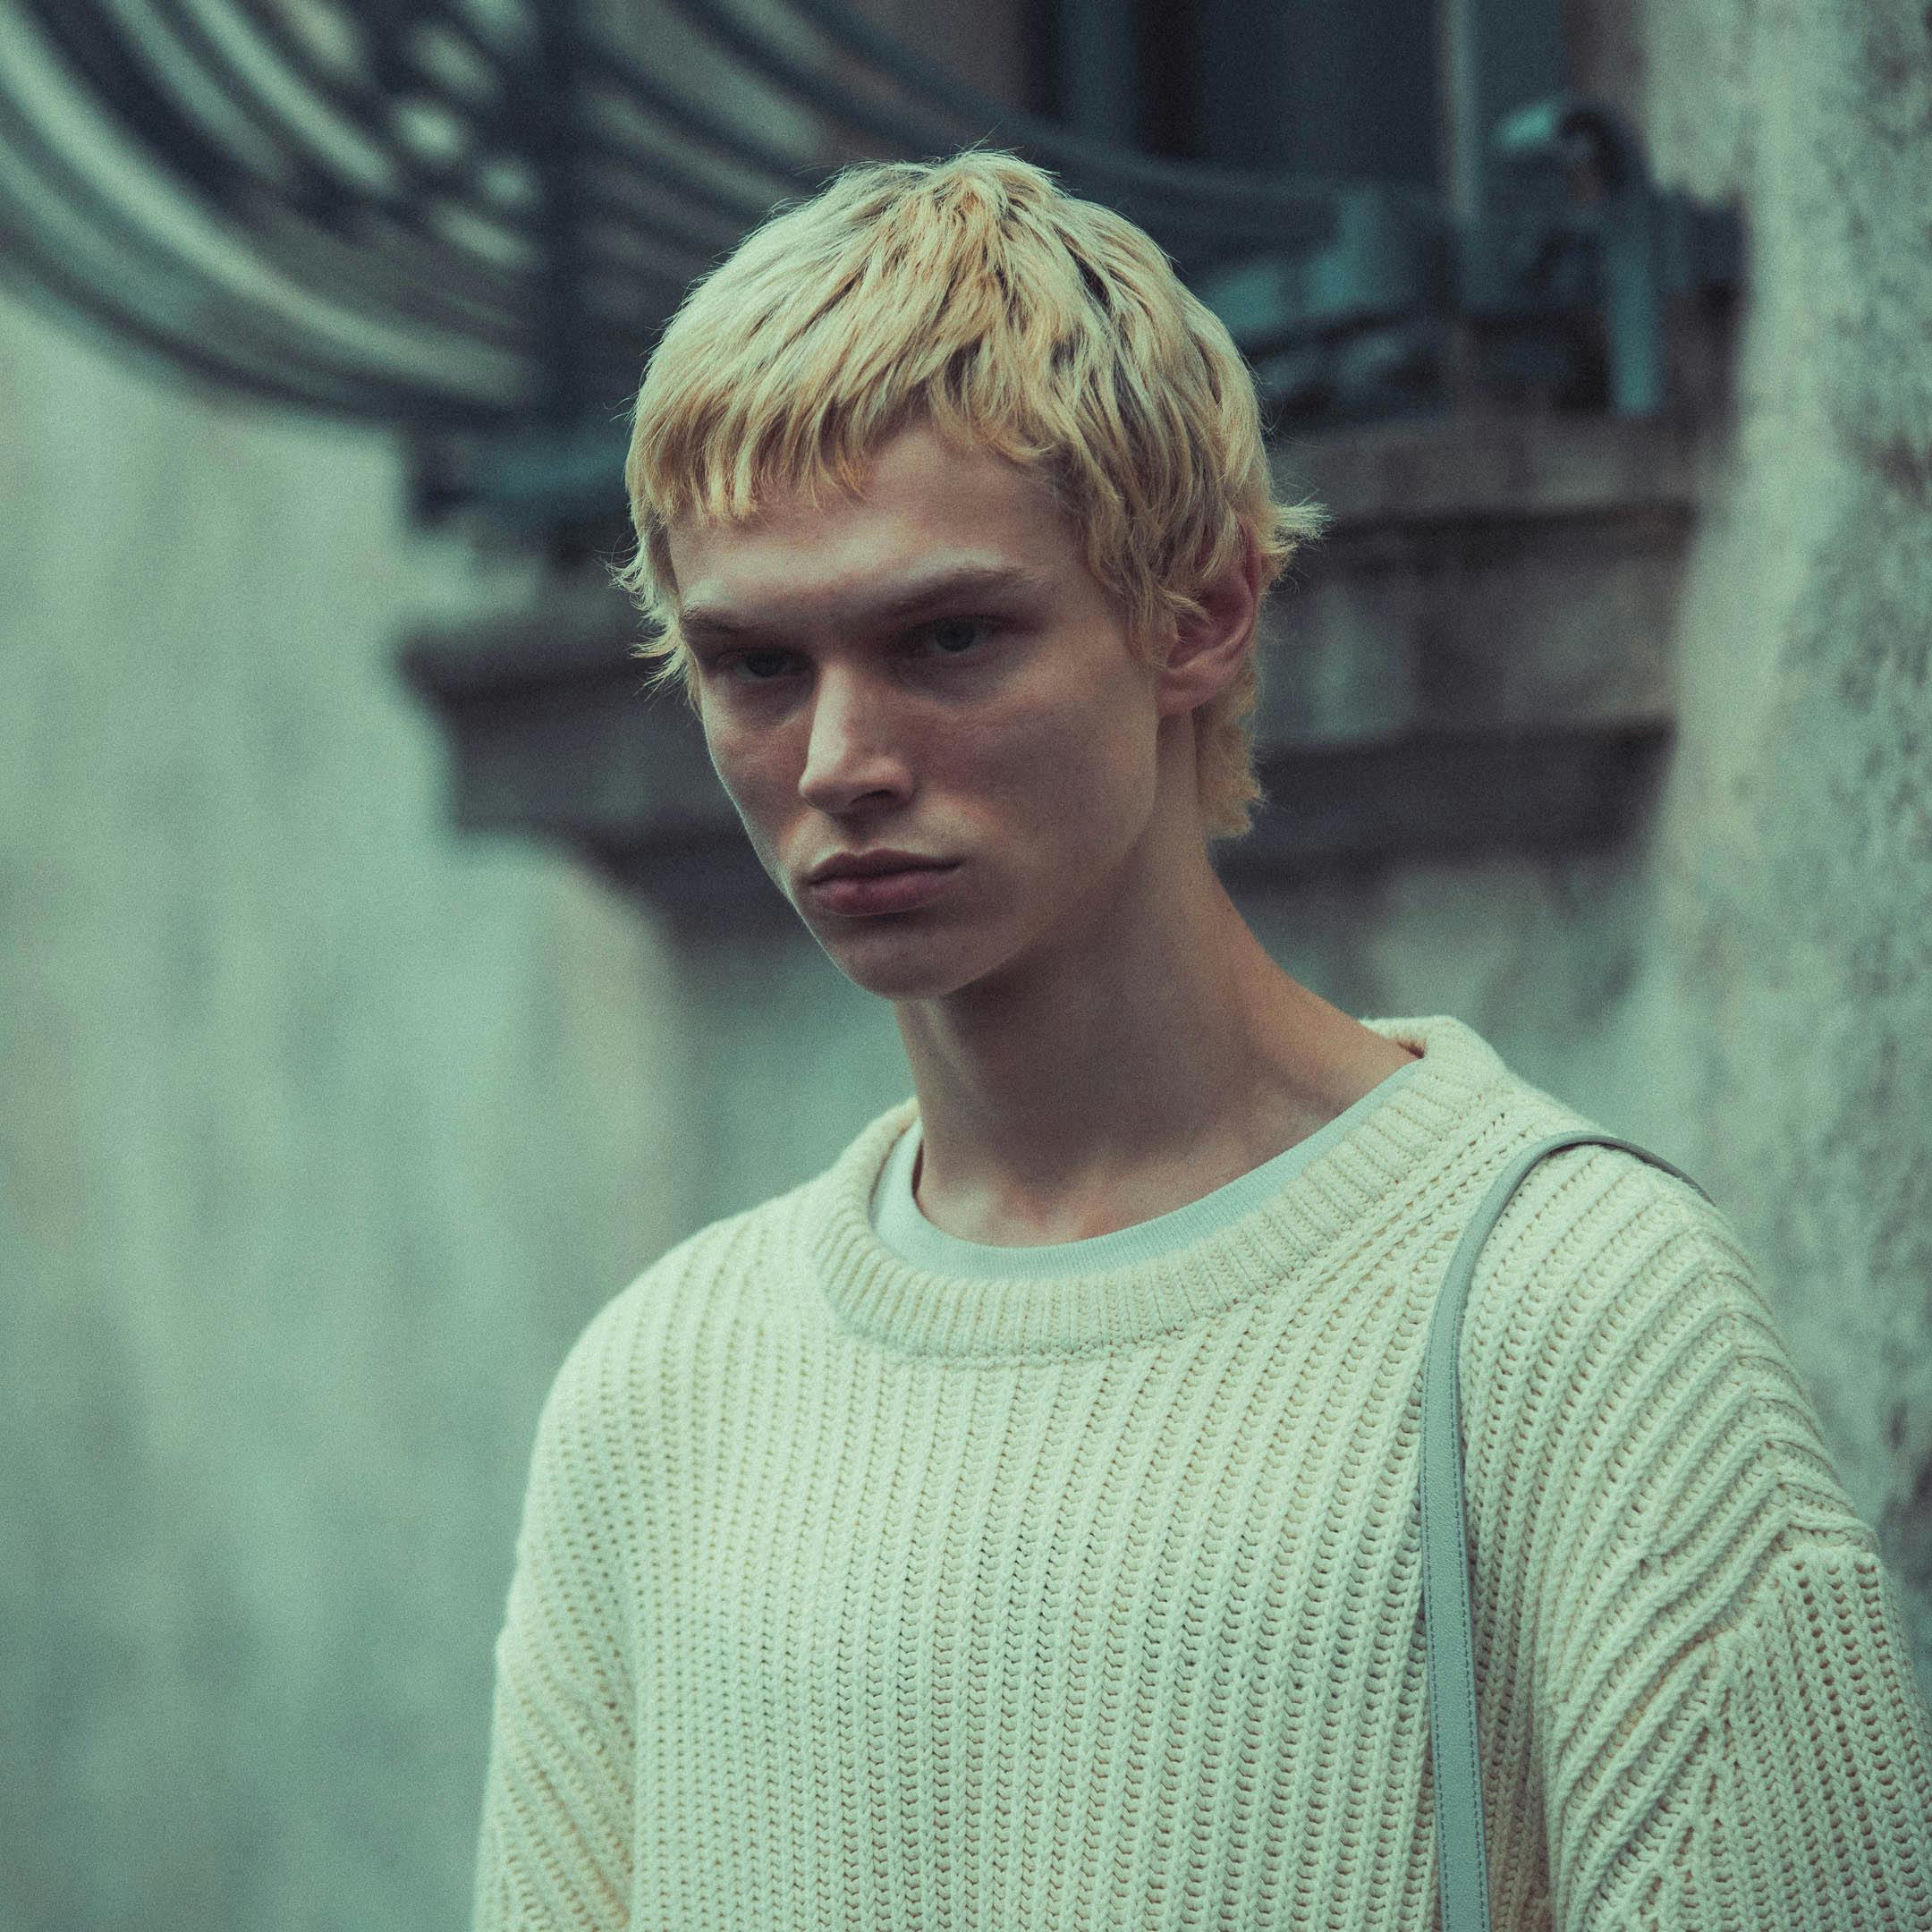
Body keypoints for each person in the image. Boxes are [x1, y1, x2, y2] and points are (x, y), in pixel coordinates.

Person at [470, 146, 1932, 1929]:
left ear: (1204, 609)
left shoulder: (1583, 1319)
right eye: (756, 666)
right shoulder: (661, 1393)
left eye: (947, 635)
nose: (841, 757)